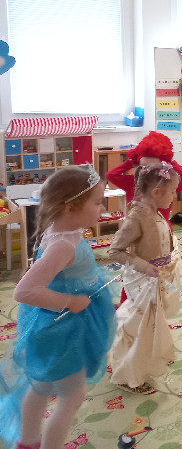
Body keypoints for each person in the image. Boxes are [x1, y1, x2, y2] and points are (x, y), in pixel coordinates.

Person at [0, 167, 116, 449]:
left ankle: (27, 442)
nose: (103, 208)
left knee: (40, 386)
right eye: (97, 202)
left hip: (57, 326)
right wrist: (71, 301)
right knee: (71, 398)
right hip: (65, 331)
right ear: (71, 207)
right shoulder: (64, 244)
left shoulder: (64, 232)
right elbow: (24, 291)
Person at [107, 161, 182, 394]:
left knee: (148, 324)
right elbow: (115, 251)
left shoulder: (153, 211)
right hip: (142, 280)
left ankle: (147, 358)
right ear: (156, 192)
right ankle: (127, 375)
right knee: (138, 327)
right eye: (172, 191)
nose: (175, 196)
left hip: (154, 279)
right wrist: (144, 266)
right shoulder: (137, 217)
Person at [106, 131, 182, 307]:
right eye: (143, 167)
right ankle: (128, 307)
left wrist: (170, 162)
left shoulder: (166, 186)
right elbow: (111, 175)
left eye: (152, 168)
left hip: (161, 229)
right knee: (136, 275)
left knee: (160, 274)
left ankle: (153, 307)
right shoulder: (132, 182)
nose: (147, 172)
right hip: (139, 231)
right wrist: (130, 162)